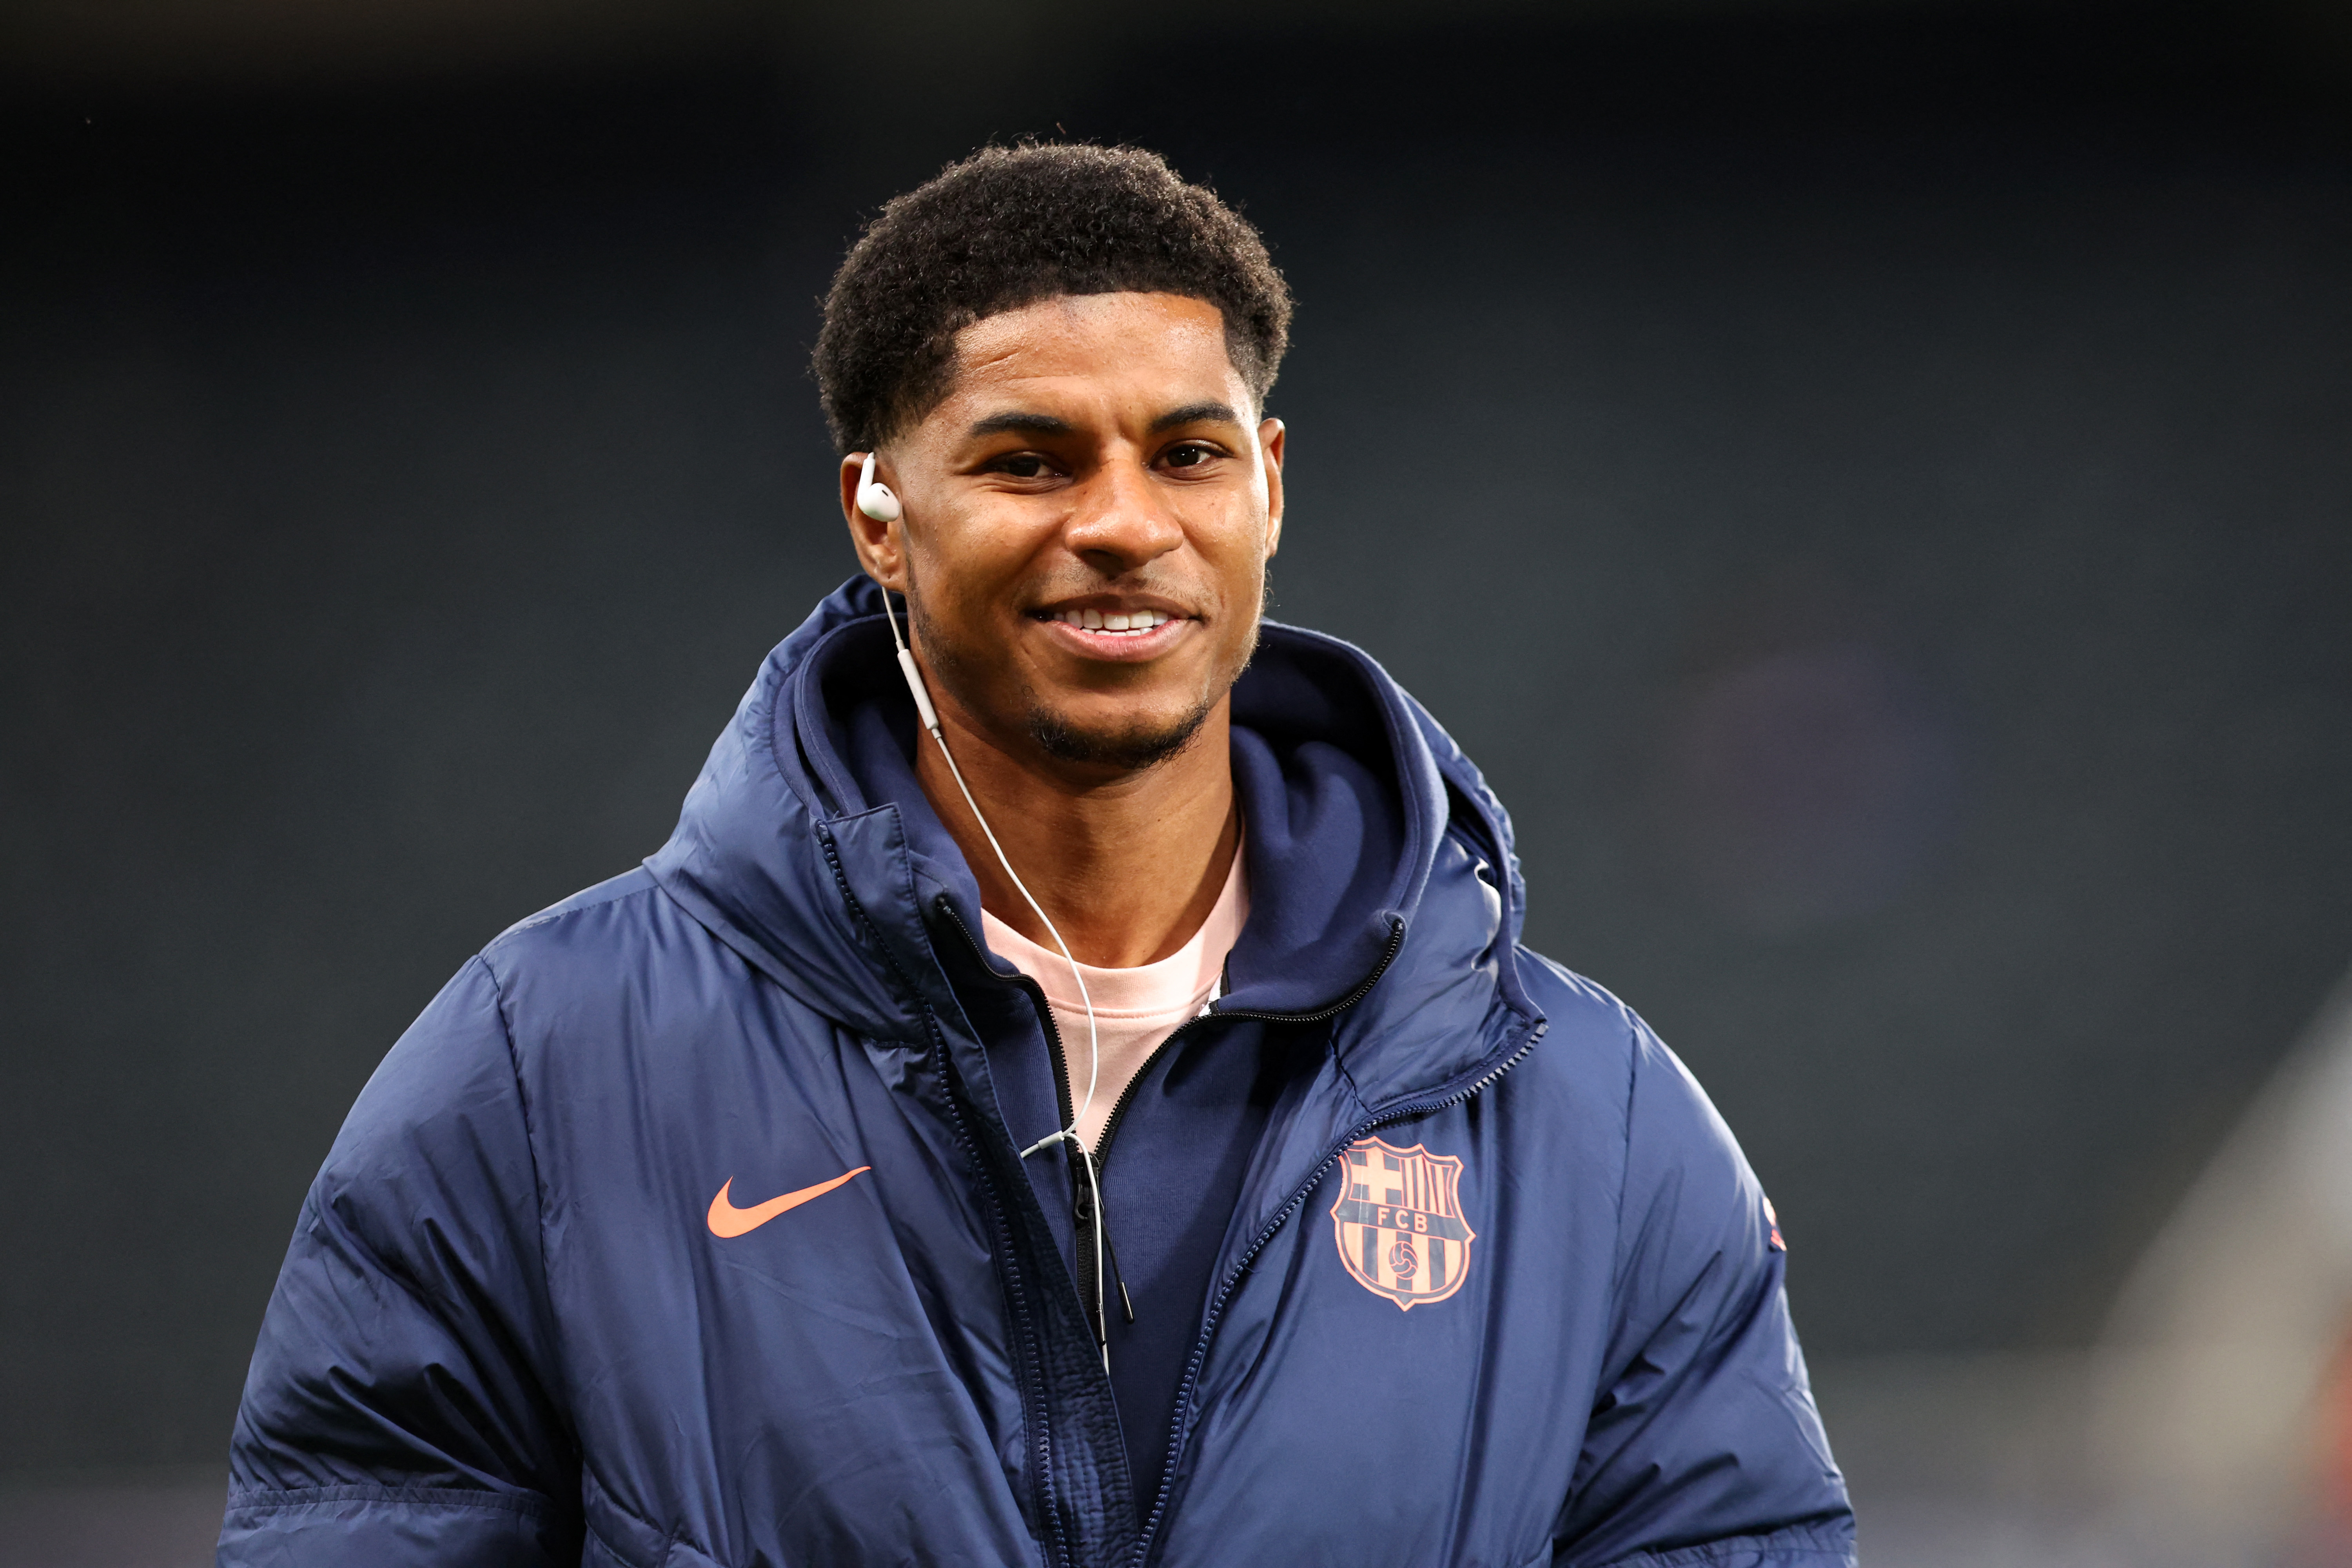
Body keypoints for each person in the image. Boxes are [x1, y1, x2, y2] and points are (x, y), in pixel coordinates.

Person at [220, 143, 1854, 1568]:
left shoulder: (1587, 1118)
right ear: (878, 513)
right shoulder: (543, 1071)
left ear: (1270, 488)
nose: (1125, 522)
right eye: (1030, 460)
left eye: (1189, 452)